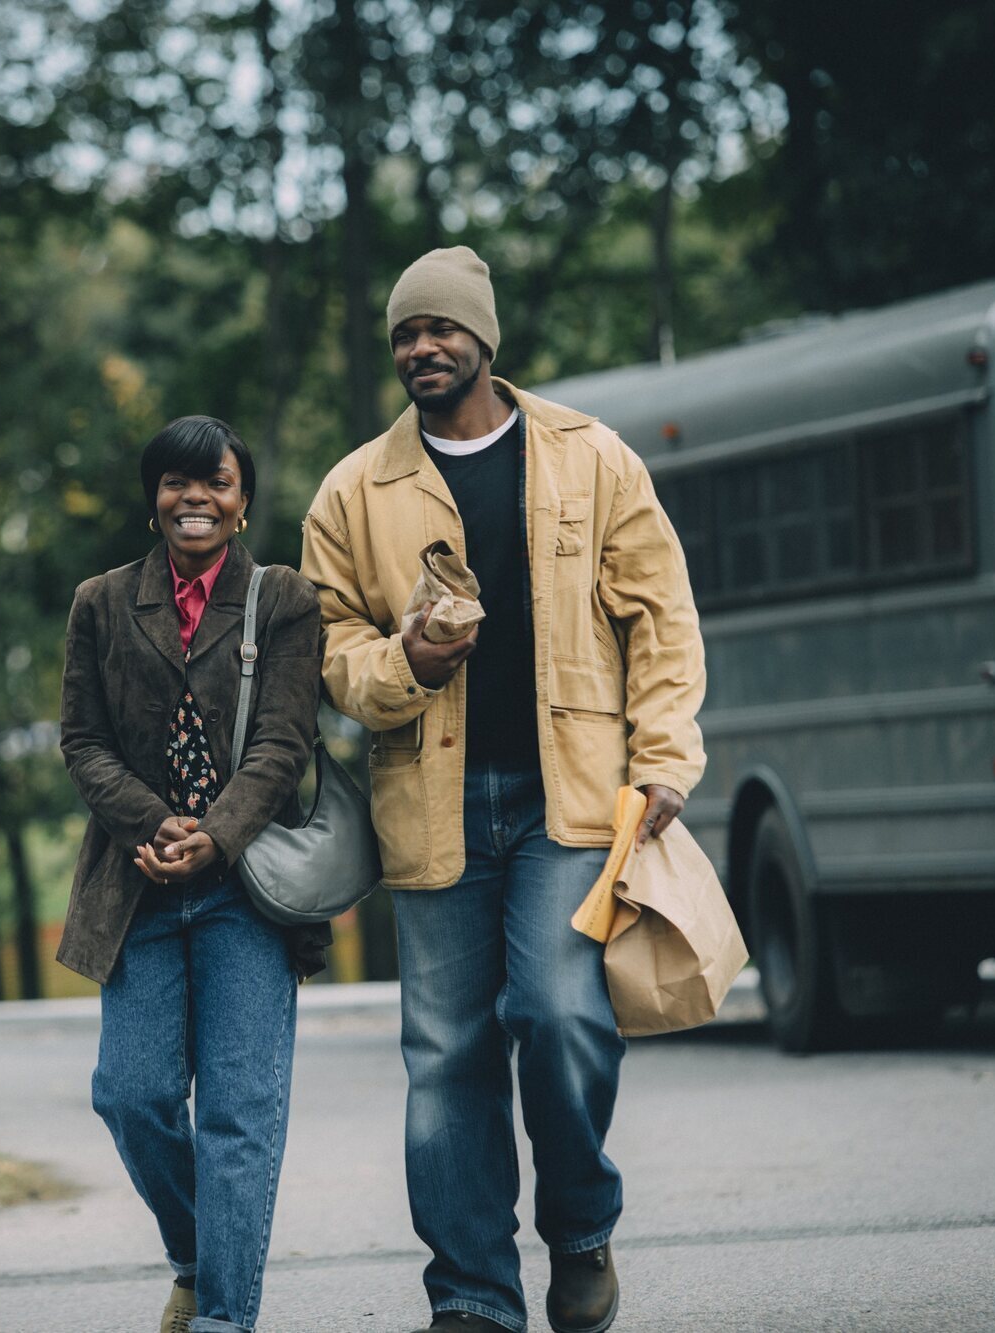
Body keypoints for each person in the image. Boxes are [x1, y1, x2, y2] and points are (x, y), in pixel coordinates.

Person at [299, 247, 707, 1333]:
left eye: (438, 329)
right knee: (445, 1058)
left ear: (483, 337)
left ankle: (578, 1230)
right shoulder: (353, 489)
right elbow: (329, 646)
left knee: (558, 1011)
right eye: (402, 334)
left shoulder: (589, 457)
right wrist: (402, 667)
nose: (419, 349)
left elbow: (658, 618)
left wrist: (662, 755)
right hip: (427, 806)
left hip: (568, 800)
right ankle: (473, 1294)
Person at [58, 415, 328, 1333]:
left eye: (215, 481)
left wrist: (212, 836)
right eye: (176, 483)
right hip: (131, 885)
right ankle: (196, 1253)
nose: (195, 498)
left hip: (246, 891)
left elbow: (284, 743)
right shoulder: (99, 602)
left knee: (239, 1117)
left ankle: (223, 1317)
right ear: (152, 500)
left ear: (242, 499)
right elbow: (82, 742)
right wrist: (151, 820)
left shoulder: (284, 600)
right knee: (130, 1096)